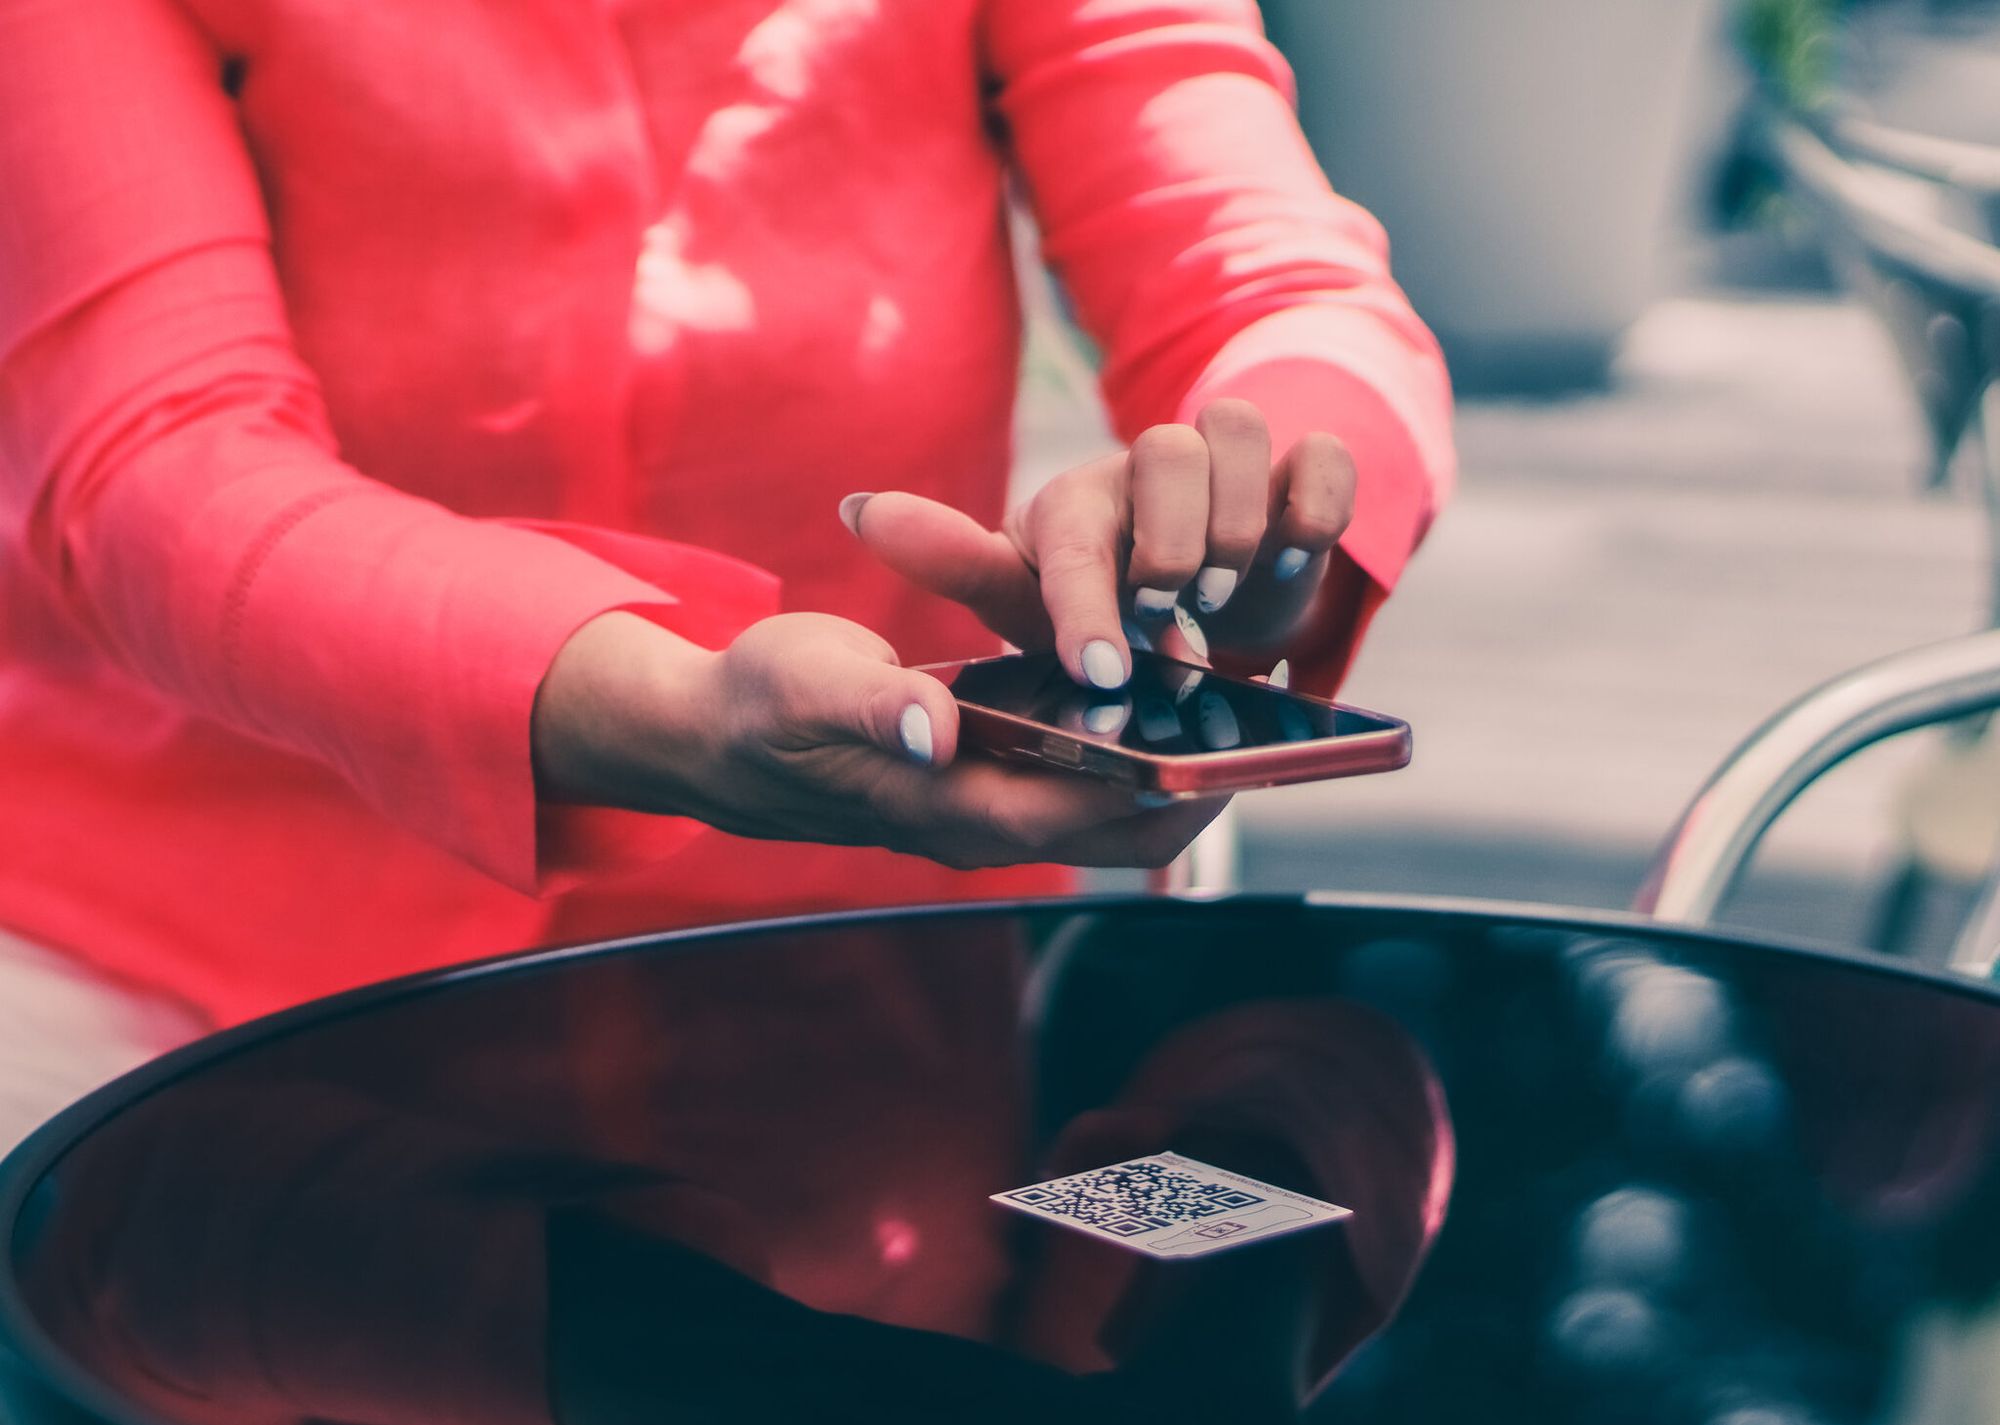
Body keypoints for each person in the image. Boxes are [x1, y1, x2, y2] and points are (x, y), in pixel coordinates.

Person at [0, 0, 1454, 1148]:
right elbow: (157, 463)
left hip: (862, 988)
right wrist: (666, 706)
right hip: (157, 979)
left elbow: (1264, 271)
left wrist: (1258, 493)